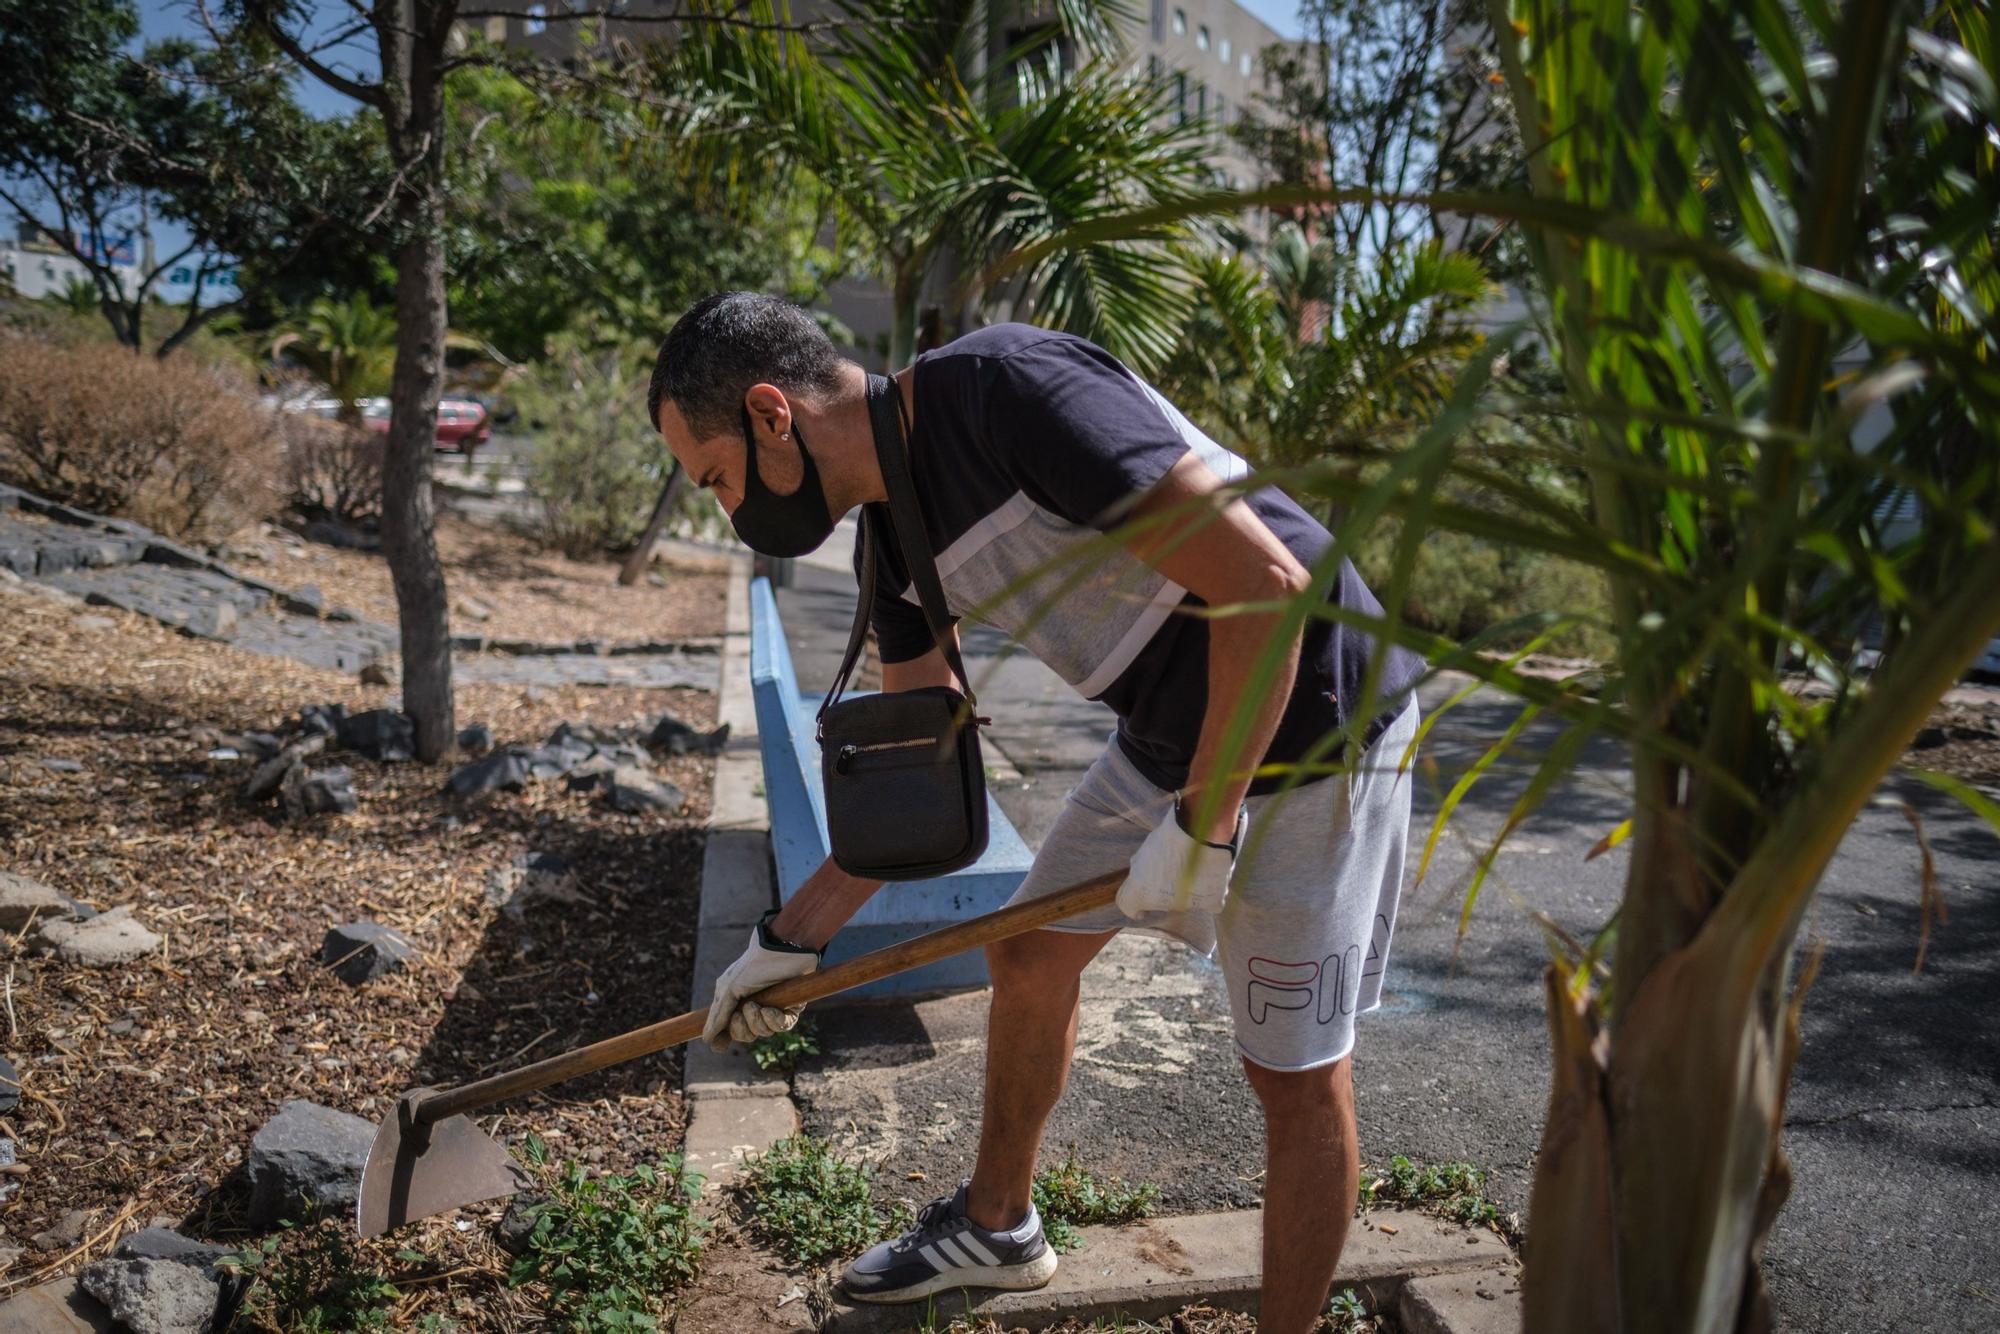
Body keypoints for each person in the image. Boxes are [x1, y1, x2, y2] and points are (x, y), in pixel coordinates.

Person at [649, 292, 1423, 1334]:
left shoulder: (1005, 392)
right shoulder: (896, 542)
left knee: (1288, 1071)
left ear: (770, 415)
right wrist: (790, 939)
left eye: (718, 479)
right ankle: (998, 1225)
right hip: (1168, 729)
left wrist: (1203, 826)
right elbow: (917, 786)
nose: (729, 510)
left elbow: (1267, 585)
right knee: (1028, 956)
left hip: (1321, 711)